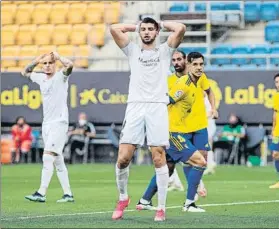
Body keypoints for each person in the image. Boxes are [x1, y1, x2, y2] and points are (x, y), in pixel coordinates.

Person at [110, 17, 186, 221]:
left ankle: (161, 207)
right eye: (143, 29)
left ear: (156, 32)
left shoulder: (165, 51)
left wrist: (162, 23)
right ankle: (123, 197)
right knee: (123, 157)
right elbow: (114, 28)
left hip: (157, 108)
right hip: (135, 106)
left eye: (150, 29)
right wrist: (135, 26)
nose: (146, 32)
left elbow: (180, 27)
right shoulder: (132, 50)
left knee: (158, 157)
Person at [136, 52, 218, 213]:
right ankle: (189, 202)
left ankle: (145, 200)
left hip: (195, 126)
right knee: (199, 162)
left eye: (201, 64)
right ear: (189, 64)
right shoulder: (181, 83)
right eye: (195, 64)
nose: (199, 67)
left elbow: (209, 92)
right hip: (175, 132)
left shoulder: (198, 79)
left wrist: (213, 108)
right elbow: (166, 101)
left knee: (170, 166)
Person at [21, 51, 74, 203]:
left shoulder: (61, 76)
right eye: (44, 63)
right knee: (57, 160)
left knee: (47, 156)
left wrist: (58, 57)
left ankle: (41, 192)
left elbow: (70, 65)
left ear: (55, 64)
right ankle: (68, 194)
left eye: (50, 63)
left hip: (59, 122)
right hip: (47, 124)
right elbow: (24, 71)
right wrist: (35, 60)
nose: (47, 66)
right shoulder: (40, 78)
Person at [269, 73, 279, 189]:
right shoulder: (276, 96)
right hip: (277, 130)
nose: (278, 84)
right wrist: (273, 128)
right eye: (276, 82)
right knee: (275, 154)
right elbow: (275, 114)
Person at [203, 92, 217, 175]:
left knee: (207, 145)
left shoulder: (206, 101)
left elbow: (210, 113)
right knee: (207, 146)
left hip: (208, 125)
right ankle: (210, 163)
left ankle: (210, 164)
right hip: (207, 125)